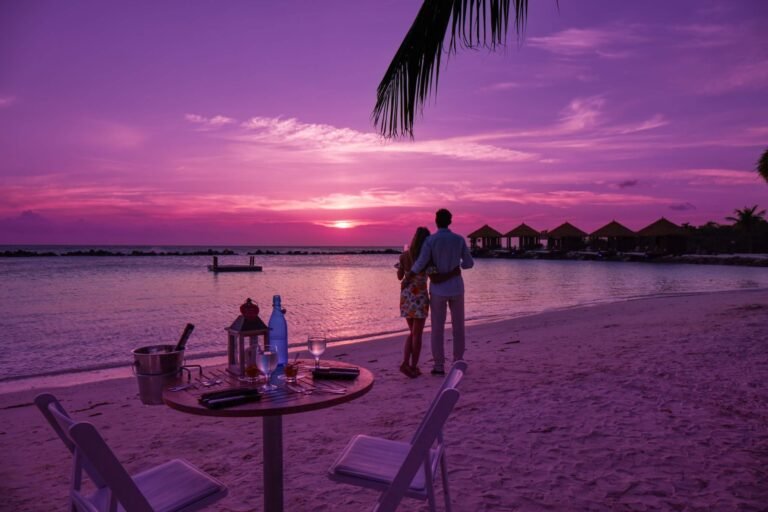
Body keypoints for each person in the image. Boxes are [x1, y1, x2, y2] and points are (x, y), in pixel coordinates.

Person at [409, 208, 474, 375]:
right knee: (458, 327)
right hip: (457, 287)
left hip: (438, 290)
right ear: (450, 221)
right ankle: (458, 361)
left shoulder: (431, 241)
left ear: (436, 221)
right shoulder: (459, 240)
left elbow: (421, 262)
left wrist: (409, 276)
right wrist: (455, 267)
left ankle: (439, 365)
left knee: (437, 328)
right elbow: (468, 263)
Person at [397, 227, 431, 378]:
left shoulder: (404, 255)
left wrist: (401, 268)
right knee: (417, 334)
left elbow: (399, 276)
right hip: (419, 296)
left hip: (406, 296)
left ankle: (406, 363)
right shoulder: (426, 256)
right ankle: (412, 366)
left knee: (412, 333)